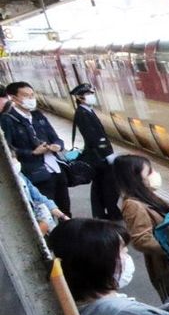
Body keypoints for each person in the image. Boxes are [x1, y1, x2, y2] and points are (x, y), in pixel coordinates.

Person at [1, 81, 70, 217]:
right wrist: (33, 152)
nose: (31, 99)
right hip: (35, 173)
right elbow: (6, 150)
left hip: (56, 169)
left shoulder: (38, 115)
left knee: (64, 208)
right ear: (13, 98)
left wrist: (57, 145)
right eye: (26, 96)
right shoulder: (7, 120)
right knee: (46, 212)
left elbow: (55, 137)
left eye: (32, 95)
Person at [112, 154, 169, 301]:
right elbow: (141, 240)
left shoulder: (148, 196)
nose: (155, 175)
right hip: (167, 266)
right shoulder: (133, 205)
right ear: (135, 177)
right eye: (150, 172)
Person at [70, 83, 120, 221]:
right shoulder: (83, 113)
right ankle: (111, 211)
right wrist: (108, 154)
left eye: (91, 93)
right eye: (88, 94)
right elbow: (94, 137)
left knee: (100, 185)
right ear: (80, 98)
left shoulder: (86, 111)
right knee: (109, 185)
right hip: (99, 157)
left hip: (96, 156)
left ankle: (100, 212)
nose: (91, 96)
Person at [8, 151, 68, 233]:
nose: (16, 162)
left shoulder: (21, 176)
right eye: (12, 158)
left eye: (15, 158)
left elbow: (39, 197)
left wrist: (62, 216)